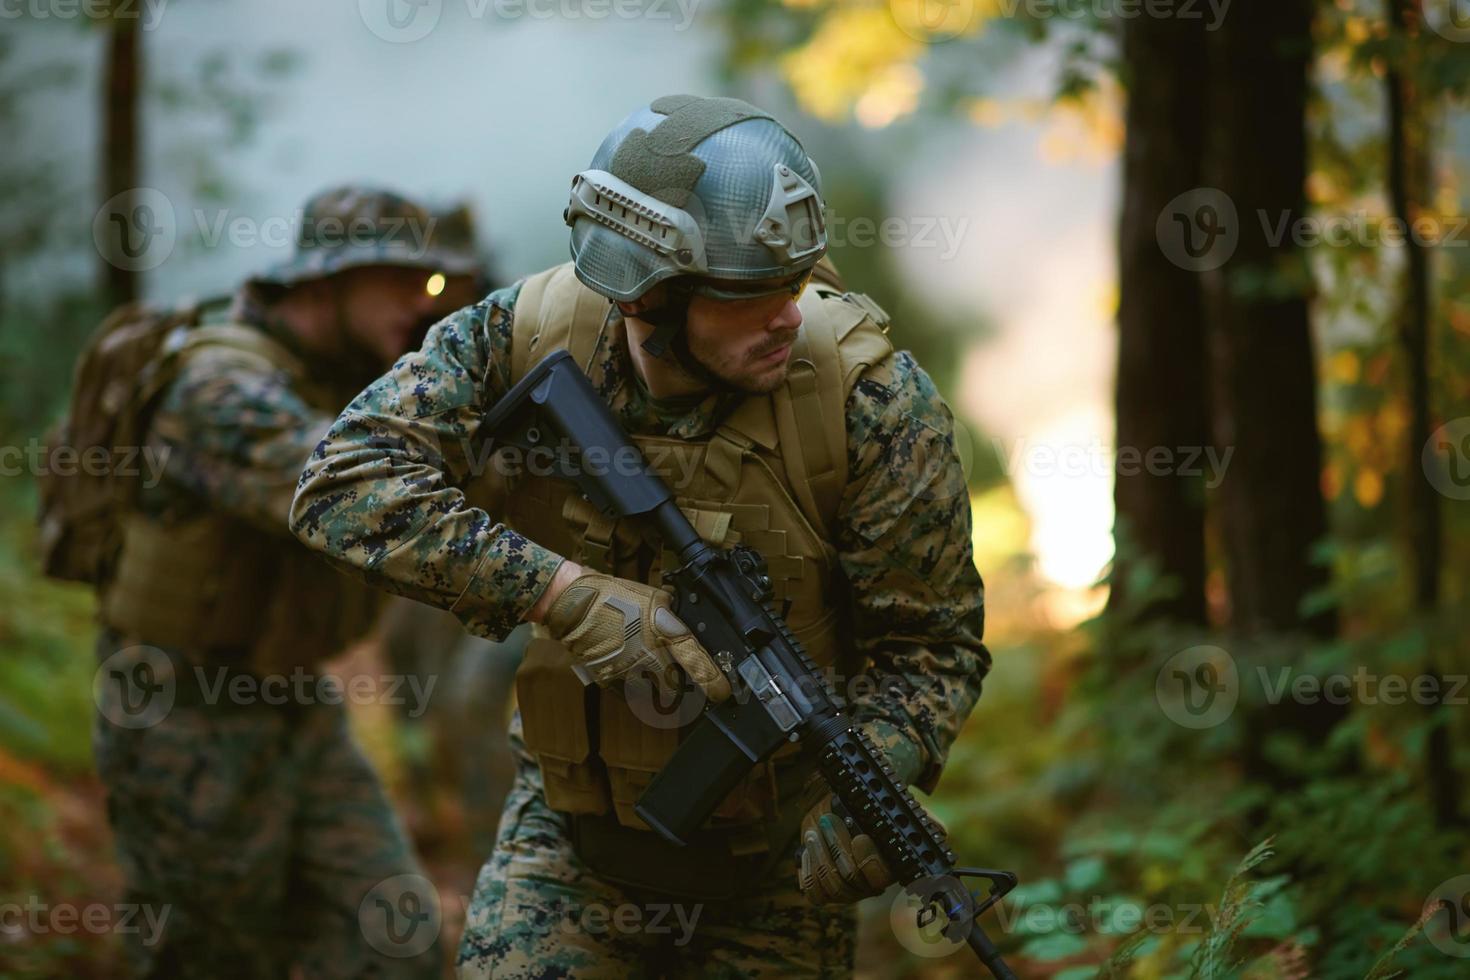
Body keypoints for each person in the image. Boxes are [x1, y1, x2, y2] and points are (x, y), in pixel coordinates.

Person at [289, 96, 990, 978]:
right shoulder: (526, 333)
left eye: (799, 280)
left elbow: (932, 649)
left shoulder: (873, 403)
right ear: (652, 296)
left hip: (776, 871)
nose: (789, 314)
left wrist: (881, 775)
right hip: (568, 847)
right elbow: (342, 480)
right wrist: (563, 596)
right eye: (752, 293)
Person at [91, 186, 476, 977]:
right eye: (401, 278)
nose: (424, 299)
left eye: (434, 282)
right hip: (185, 718)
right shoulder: (217, 386)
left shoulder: (333, 375)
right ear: (324, 282)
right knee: (210, 957)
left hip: (294, 702)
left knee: (392, 942)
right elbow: (349, 496)